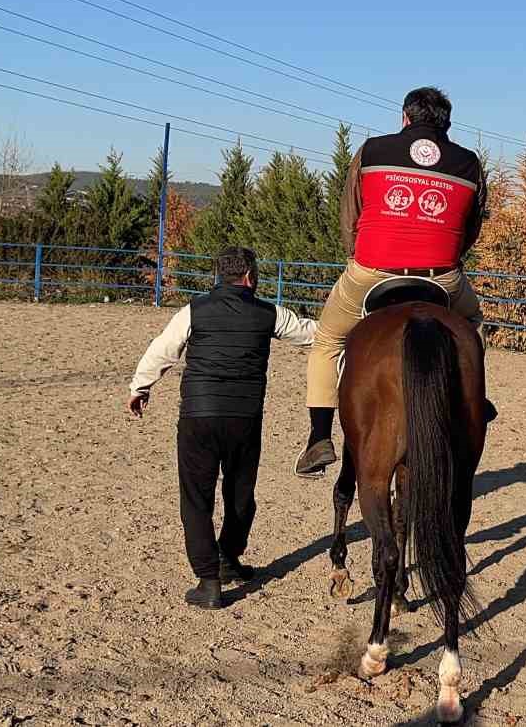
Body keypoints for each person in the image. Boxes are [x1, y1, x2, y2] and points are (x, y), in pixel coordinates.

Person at [297, 86, 487, 478]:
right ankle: (474, 402)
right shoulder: (469, 163)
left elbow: (350, 211)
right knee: (472, 325)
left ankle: (319, 437)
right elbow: (472, 227)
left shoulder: (372, 151)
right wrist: (448, 256)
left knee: (327, 341)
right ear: (447, 123)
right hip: (442, 277)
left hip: (372, 273)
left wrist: (357, 255)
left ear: (405, 117)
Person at [127, 246, 318, 610]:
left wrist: (140, 387)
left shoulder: (193, 311)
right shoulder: (269, 313)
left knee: (197, 499)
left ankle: (209, 580)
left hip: (199, 417)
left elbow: (163, 350)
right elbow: (312, 334)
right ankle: (229, 557)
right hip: (245, 418)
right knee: (241, 494)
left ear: (221, 274)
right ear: (249, 276)